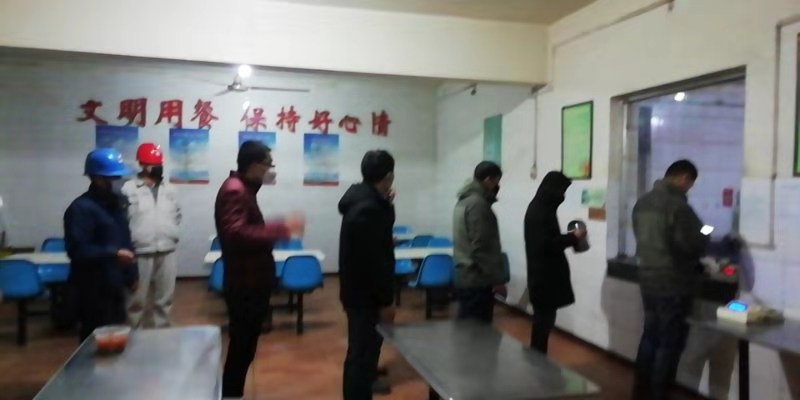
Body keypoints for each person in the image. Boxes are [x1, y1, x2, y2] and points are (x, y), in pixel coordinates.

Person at [215, 140, 305, 400]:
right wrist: (280, 229)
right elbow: (235, 234)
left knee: (244, 347)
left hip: (250, 281)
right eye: (268, 164)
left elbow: (243, 229)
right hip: (245, 284)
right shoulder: (235, 190)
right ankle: (231, 395)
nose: (270, 170)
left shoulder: (243, 189)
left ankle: (233, 393)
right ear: (254, 165)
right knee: (241, 348)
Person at [631, 159, 709, 400]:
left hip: (648, 280)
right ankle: (659, 395)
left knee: (649, 338)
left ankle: (641, 393)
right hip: (673, 284)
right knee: (668, 345)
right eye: (690, 183)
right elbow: (693, 243)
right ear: (684, 178)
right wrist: (707, 230)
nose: (689, 188)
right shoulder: (678, 207)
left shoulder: (642, 203)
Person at [338, 150, 397, 399]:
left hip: (357, 291)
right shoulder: (370, 208)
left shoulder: (361, 200)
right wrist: (386, 300)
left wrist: (386, 204)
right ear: (389, 176)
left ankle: (364, 385)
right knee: (361, 353)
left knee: (363, 349)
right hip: (365, 295)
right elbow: (375, 262)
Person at [64, 148, 138, 342]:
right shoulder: (80, 209)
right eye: (113, 178)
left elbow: (125, 240)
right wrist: (113, 253)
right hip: (92, 287)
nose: (118, 182)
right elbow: (77, 250)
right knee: (94, 340)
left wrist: (131, 274)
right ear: (96, 178)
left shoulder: (117, 205)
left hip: (115, 285)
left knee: (118, 334)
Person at [524, 171, 586, 354]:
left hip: (544, 276)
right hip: (544, 278)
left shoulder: (542, 208)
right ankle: (536, 363)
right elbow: (545, 244)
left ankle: (537, 360)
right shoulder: (540, 211)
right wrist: (572, 237)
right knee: (542, 325)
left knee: (544, 324)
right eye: (562, 190)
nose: (563, 195)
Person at [123, 143, 182, 329]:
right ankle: (135, 333)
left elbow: (177, 215)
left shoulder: (169, 189)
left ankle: (161, 331)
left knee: (165, 297)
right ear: (142, 165)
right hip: (140, 250)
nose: (157, 167)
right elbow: (123, 219)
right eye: (153, 164)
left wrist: (170, 231)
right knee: (136, 299)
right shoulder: (129, 189)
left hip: (167, 248)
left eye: (159, 163)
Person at [452, 161, 507, 323]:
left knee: (467, 327)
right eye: (497, 181)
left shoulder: (463, 201)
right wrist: (497, 280)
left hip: (465, 275)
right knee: (478, 330)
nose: (497, 186)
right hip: (477, 279)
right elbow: (483, 246)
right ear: (488, 180)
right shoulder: (478, 205)